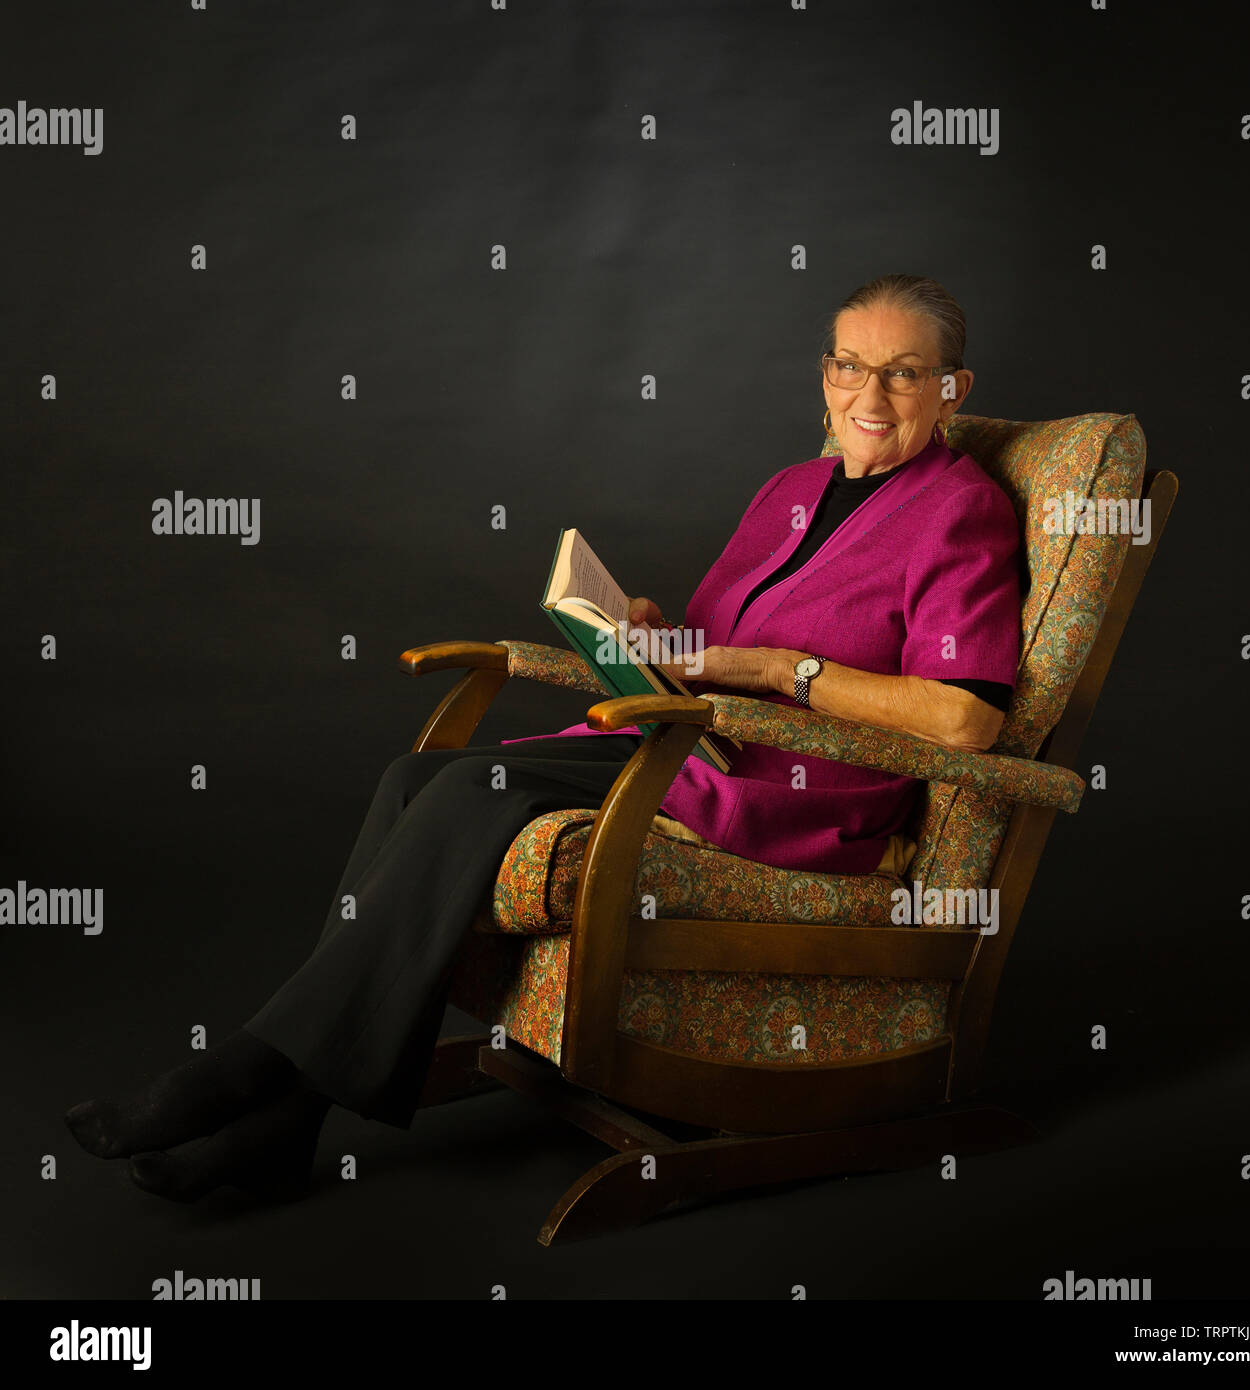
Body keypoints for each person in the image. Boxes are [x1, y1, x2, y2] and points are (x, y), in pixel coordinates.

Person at [63, 273, 1021, 1203]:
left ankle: (247, 1072)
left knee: (467, 795)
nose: (871, 392)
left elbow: (967, 715)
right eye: (850, 365)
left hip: (798, 792)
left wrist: (780, 672)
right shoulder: (792, 489)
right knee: (414, 776)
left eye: (903, 371)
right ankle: (288, 1122)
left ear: (952, 389)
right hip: (694, 742)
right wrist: (654, 636)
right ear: (823, 375)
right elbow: (717, 643)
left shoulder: (958, 510)